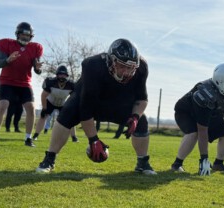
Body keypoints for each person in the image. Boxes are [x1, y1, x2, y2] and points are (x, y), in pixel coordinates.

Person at [35, 38, 156, 175]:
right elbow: (85, 108)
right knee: (67, 113)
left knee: (142, 121)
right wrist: (93, 140)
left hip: (117, 103)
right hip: (88, 100)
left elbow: (142, 99)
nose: (127, 72)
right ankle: (49, 158)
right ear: (111, 61)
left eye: (130, 67)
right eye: (122, 66)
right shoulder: (93, 65)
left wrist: (135, 117)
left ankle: (142, 162)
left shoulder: (142, 68)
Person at [170, 63, 224, 176]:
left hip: (212, 114)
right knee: (193, 133)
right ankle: (177, 164)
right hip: (186, 113)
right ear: (219, 83)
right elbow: (202, 131)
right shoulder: (204, 95)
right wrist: (204, 158)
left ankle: (218, 164)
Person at [0, 22, 43, 147]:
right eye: (23, 34)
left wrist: (38, 68)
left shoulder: (35, 48)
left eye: (28, 35)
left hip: (24, 82)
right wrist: (8, 60)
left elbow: (37, 69)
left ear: (31, 36)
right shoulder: (6, 44)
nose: (25, 37)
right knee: (3, 104)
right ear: (17, 34)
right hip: (7, 81)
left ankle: (28, 139)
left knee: (30, 107)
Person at [32, 66, 78, 143]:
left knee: (70, 118)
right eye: (60, 74)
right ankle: (36, 135)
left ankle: (74, 137)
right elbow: (44, 95)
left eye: (64, 75)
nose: (62, 76)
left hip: (63, 103)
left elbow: (73, 98)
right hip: (50, 102)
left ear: (67, 75)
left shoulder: (71, 84)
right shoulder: (50, 82)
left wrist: (72, 108)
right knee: (43, 116)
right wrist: (44, 108)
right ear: (57, 75)